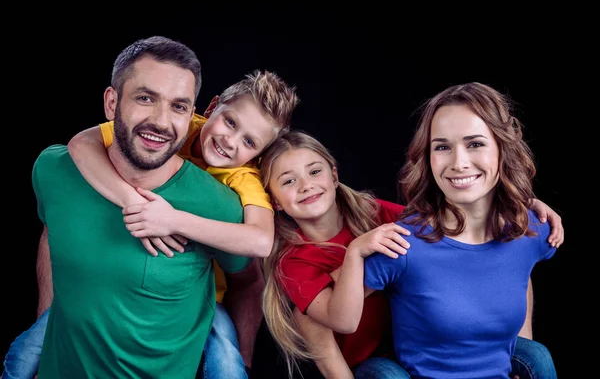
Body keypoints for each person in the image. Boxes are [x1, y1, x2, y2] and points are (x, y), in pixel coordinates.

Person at [2, 66, 299, 379]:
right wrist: (132, 201)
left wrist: (173, 221)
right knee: (26, 351)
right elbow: (81, 144)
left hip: (202, 298)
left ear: (259, 155)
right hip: (109, 289)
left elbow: (261, 241)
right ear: (211, 107)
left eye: (249, 142)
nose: (230, 141)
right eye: (229, 122)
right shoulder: (173, 125)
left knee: (227, 357)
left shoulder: (242, 177)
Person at [256, 130, 563, 378]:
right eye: (289, 181)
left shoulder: (380, 215)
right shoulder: (293, 261)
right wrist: (355, 253)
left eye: (314, 171)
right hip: (373, 363)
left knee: (534, 355)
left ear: (334, 176)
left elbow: (454, 221)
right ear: (276, 201)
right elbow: (324, 327)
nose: (306, 185)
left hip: (433, 343)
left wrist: (519, 204)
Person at [328, 82, 560, 378]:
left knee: (538, 356)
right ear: (428, 156)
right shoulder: (403, 244)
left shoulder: (532, 229)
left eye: (475, 144)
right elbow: (316, 309)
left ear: (503, 148)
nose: (459, 163)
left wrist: (521, 352)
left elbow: (519, 273)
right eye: (442, 147)